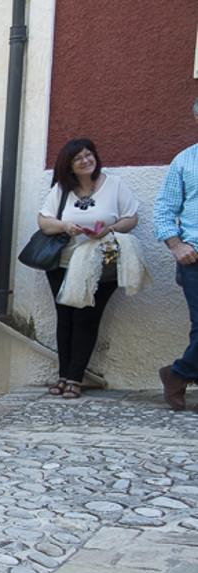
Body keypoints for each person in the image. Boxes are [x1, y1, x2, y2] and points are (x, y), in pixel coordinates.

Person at [36, 139, 142, 399]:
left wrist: (109, 229)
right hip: (62, 264)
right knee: (66, 318)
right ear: (69, 166)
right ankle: (63, 375)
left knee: (86, 319)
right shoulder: (62, 190)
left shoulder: (114, 185)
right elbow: (43, 221)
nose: (86, 160)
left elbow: (132, 218)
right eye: (78, 158)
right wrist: (65, 227)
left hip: (101, 264)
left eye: (89, 154)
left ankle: (75, 377)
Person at [156, 97, 198, 410]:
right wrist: (176, 245)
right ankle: (179, 374)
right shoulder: (184, 161)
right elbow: (163, 211)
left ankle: (178, 372)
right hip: (194, 256)